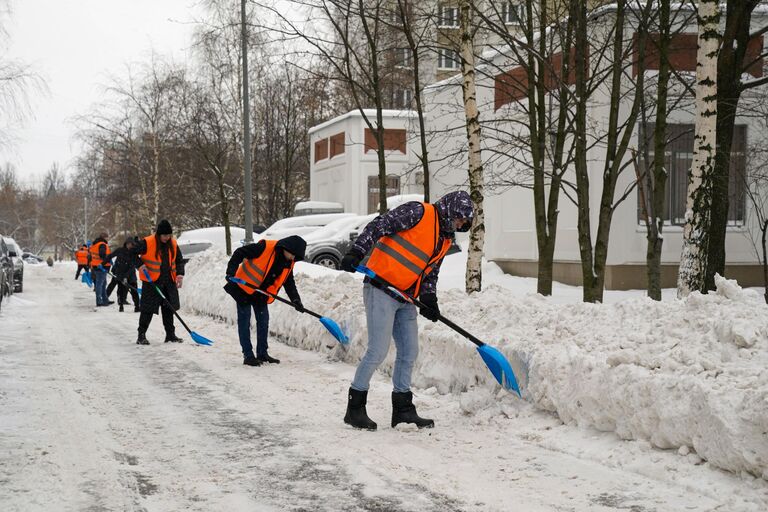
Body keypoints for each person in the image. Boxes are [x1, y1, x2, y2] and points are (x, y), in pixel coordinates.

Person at [339, 190, 474, 431]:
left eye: (465, 221)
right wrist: (357, 251)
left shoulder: (444, 239)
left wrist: (429, 298)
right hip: (381, 287)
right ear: (450, 210)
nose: (461, 223)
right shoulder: (418, 212)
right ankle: (355, 407)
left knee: (410, 351)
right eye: (460, 218)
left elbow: (430, 272)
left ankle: (403, 410)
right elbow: (379, 225)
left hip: (406, 297)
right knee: (377, 350)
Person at [223, 235, 306, 366]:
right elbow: (240, 252)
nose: (293, 259)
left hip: (261, 293)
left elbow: (288, 282)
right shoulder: (264, 248)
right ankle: (248, 355)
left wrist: (296, 300)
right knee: (244, 321)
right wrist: (231, 271)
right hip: (243, 288)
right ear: (287, 248)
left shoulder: (288, 262)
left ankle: (262, 353)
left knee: (263, 321)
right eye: (293, 255)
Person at [134, 220, 185, 345]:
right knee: (147, 309)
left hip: (169, 281)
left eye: (169, 235)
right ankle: (141, 335)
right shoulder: (148, 242)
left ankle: (170, 335)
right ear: (159, 234)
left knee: (169, 309)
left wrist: (180, 274)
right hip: (152, 282)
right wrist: (140, 265)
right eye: (164, 235)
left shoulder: (172, 243)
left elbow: (179, 260)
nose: (167, 238)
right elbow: (131, 253)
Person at [107, 236, 141, 312]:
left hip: (131, 275)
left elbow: (132, 266)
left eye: (131, 244)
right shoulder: (120, 251)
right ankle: (121, 305)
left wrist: (126, 276)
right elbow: (112, 257)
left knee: (134, 291)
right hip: (120, 273)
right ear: (125, 244)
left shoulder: (133, 253)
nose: (129, 246)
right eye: (128, 244)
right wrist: (103, 263)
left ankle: (137, 306)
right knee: (121, 290)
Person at [89, 233, 112, 307]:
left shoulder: (95, 244)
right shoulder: (102, 244)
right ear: (104, 237)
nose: (108, 239)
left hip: (96, 266)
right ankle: (99, 301)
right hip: (101, 267)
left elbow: (91, 256)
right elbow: (102, 255)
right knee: (100, 284)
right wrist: (107, 260)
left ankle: (105, 300)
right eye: (107, 237)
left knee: (103, 284)